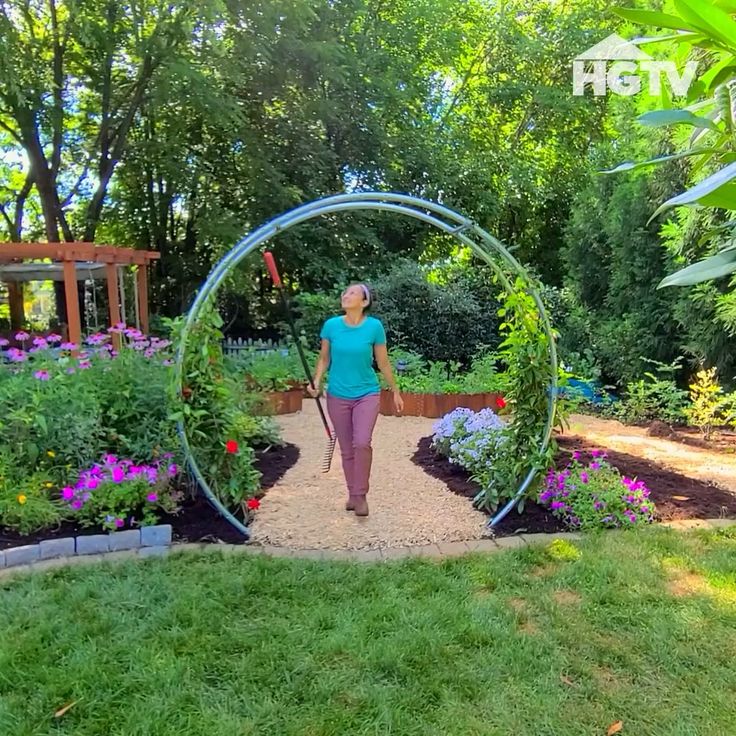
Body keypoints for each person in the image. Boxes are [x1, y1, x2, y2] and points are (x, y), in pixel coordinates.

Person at [308, 283, 403, 517]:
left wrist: (396, 391)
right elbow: (323, 359)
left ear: (364, 302)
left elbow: (382, 362)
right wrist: (316, 381)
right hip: (337, 394)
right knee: (347, 448)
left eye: (352, 293)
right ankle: (352, 494)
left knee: (361, 442)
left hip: (367, 393)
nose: (346, 295)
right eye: (345, 292)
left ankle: (361, 495)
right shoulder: (331, 326)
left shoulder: (374, 327)